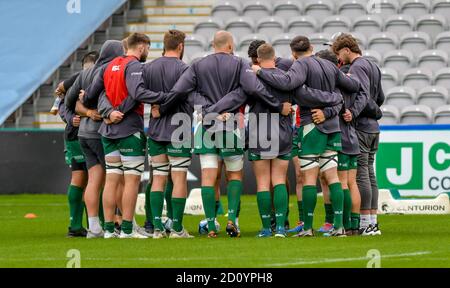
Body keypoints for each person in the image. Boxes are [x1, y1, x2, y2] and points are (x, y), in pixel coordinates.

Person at [152, 31, 292, 238]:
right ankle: (232, 220)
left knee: (208, 177)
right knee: (234, 175)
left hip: (205, 125)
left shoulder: (198, 64)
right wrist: (277, 105)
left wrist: (207, 110)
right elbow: (252, 88)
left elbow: (182, 91)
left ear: (212, 44)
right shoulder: (240, 63)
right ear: (230, 45)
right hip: (231, 124)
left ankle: (210, 226)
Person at [253, 36, 361, 237]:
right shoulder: (330, 66)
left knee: (310, 177)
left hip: (312, 125)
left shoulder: (300, 65)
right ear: (311, 47)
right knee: (332, 177)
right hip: (333, 128)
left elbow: (288, 85)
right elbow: (353, 86)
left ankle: (308, 227)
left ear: (293, 53)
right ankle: (339, 227)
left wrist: (259, 72)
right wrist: (334, 98)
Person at [83, 33, 166, 238]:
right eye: (147, 47)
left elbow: (91, 96)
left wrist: (108, 112)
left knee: (111, 180)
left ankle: (110, 230)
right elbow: (136, 94)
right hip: (129, 129)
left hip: (108, 132)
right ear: (140, 47)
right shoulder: (135, 66)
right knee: (131, 181)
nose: (147, 51)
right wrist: (162, 98)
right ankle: (128, 230)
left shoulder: (107, 66)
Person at [66, 41, 124, 238]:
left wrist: (87, 112)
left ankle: (94, 227)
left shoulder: (85, 74)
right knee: (114, 178)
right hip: (102, 132)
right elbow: (104, 98)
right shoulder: (109, 70)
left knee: (94, 179)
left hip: (83, 134)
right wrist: (96, 111)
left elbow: (70, 101)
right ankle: (117, 225)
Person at [332, 34, 384, 236]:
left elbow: (363, 95)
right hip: (374, 128)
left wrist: (353, 112)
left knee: (361, 174)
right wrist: (375, 112)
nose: (339, 59)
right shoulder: (373, 65)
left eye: (339, 54)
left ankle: (365, 222)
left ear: (346, 49)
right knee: (370, 173)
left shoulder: (357, 67)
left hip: (361, 126)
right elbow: (379, 97)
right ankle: (373, 221)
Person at [54, 52, 98, 237]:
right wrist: (71, 118)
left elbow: (59, 102)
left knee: (86, 179)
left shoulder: (75, 80)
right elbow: (60, 106)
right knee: (88, 179)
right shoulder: (81, 80)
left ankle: (81, 225)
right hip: (80, 134)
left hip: (81, 134)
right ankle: (81, 225)